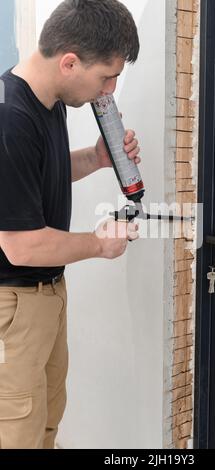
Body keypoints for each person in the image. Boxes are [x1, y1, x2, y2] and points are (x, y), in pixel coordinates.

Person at [0, 0, 140, 449]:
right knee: (17, 431)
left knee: (47, 419)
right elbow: (21, 247)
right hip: (15, 301)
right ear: (69, 62)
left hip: (47, 295)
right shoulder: (10, 119)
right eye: (106, 75)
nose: (110, 89)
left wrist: (97, 159)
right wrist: (99, 244)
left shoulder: (48, 101)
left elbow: (46, 170)